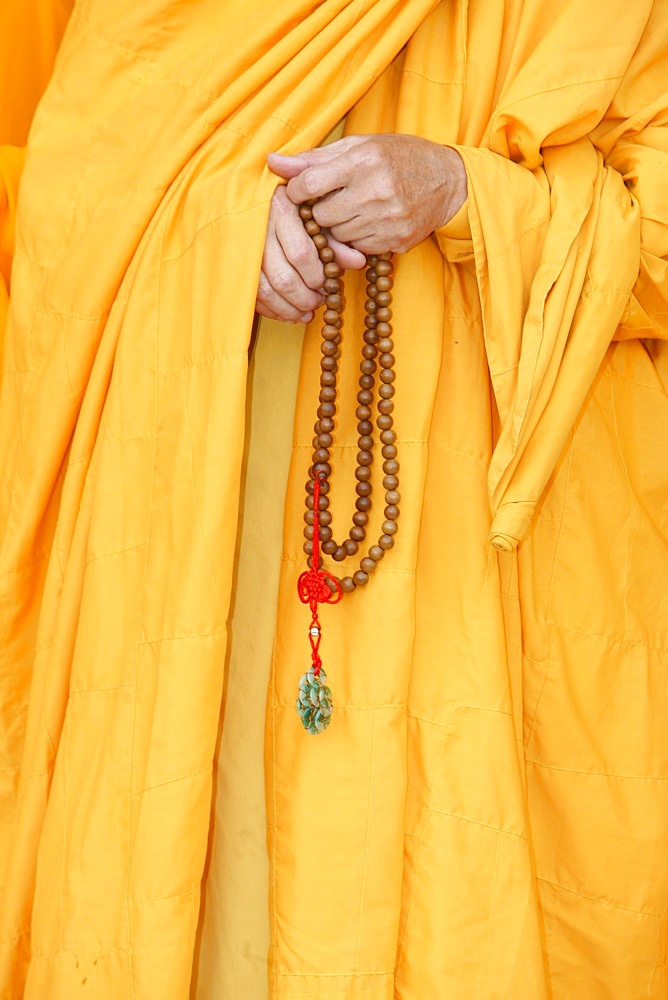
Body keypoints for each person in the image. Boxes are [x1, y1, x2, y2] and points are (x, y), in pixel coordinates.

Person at [0, 1, 666, 998]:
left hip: (501, 562)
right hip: (208, 528)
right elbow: (63, 187)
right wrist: (217, 225)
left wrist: (460, 191)